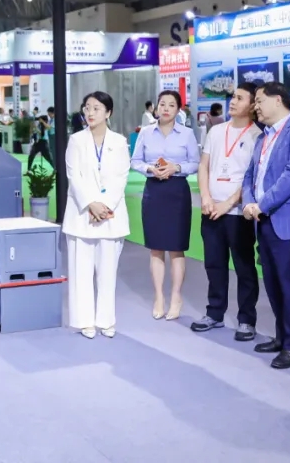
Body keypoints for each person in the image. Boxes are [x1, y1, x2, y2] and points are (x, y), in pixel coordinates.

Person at [241, 82, 290, 370]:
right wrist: (249, 202)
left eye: (259, 100)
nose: (255, 106)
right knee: (272, 283)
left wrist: (261, 204)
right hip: (263, 220)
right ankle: (282, 337)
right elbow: (250, 175)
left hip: (288, 221)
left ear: (278, 100)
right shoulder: (262, 136)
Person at [191, 82, 260, 340]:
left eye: (240, 98)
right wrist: (206, 197)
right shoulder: (216, 131)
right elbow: (204, 166)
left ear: (252, 105)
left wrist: (228, 203)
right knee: (214, 264)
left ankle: (246, 320)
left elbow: (252, 178)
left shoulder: (258, 136)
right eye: (233, 97)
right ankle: (215, 313)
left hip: (239, 213)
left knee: (244, 267)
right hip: (211, 209)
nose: (233, 101)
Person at [63, 91, 131, 339]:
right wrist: (91, 204)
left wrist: (104, 206)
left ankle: (106, 320)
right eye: (87, 108)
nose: (90, 113)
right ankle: (84, 321)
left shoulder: (119, 142)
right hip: (82, 215)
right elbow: (74, 176)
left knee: (107, 273)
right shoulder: (76, 140)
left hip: (110, 216)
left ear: (108, 113)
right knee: (81, 272)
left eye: (96, 108)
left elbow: (121, 177)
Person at [131, 91, 201, 320]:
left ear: (178, 109)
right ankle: (159, 297)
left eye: (171, 105)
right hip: (154, 191)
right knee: (156, 247)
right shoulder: (146, 132)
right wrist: (150, 169)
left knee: (176, 247)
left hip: (177, 192)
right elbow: (135, 161)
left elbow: (195, 162)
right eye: (162, 104)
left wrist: (176, 168)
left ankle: (176, 296)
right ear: (156, 108)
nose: (166, 109)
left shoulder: (187, 134)